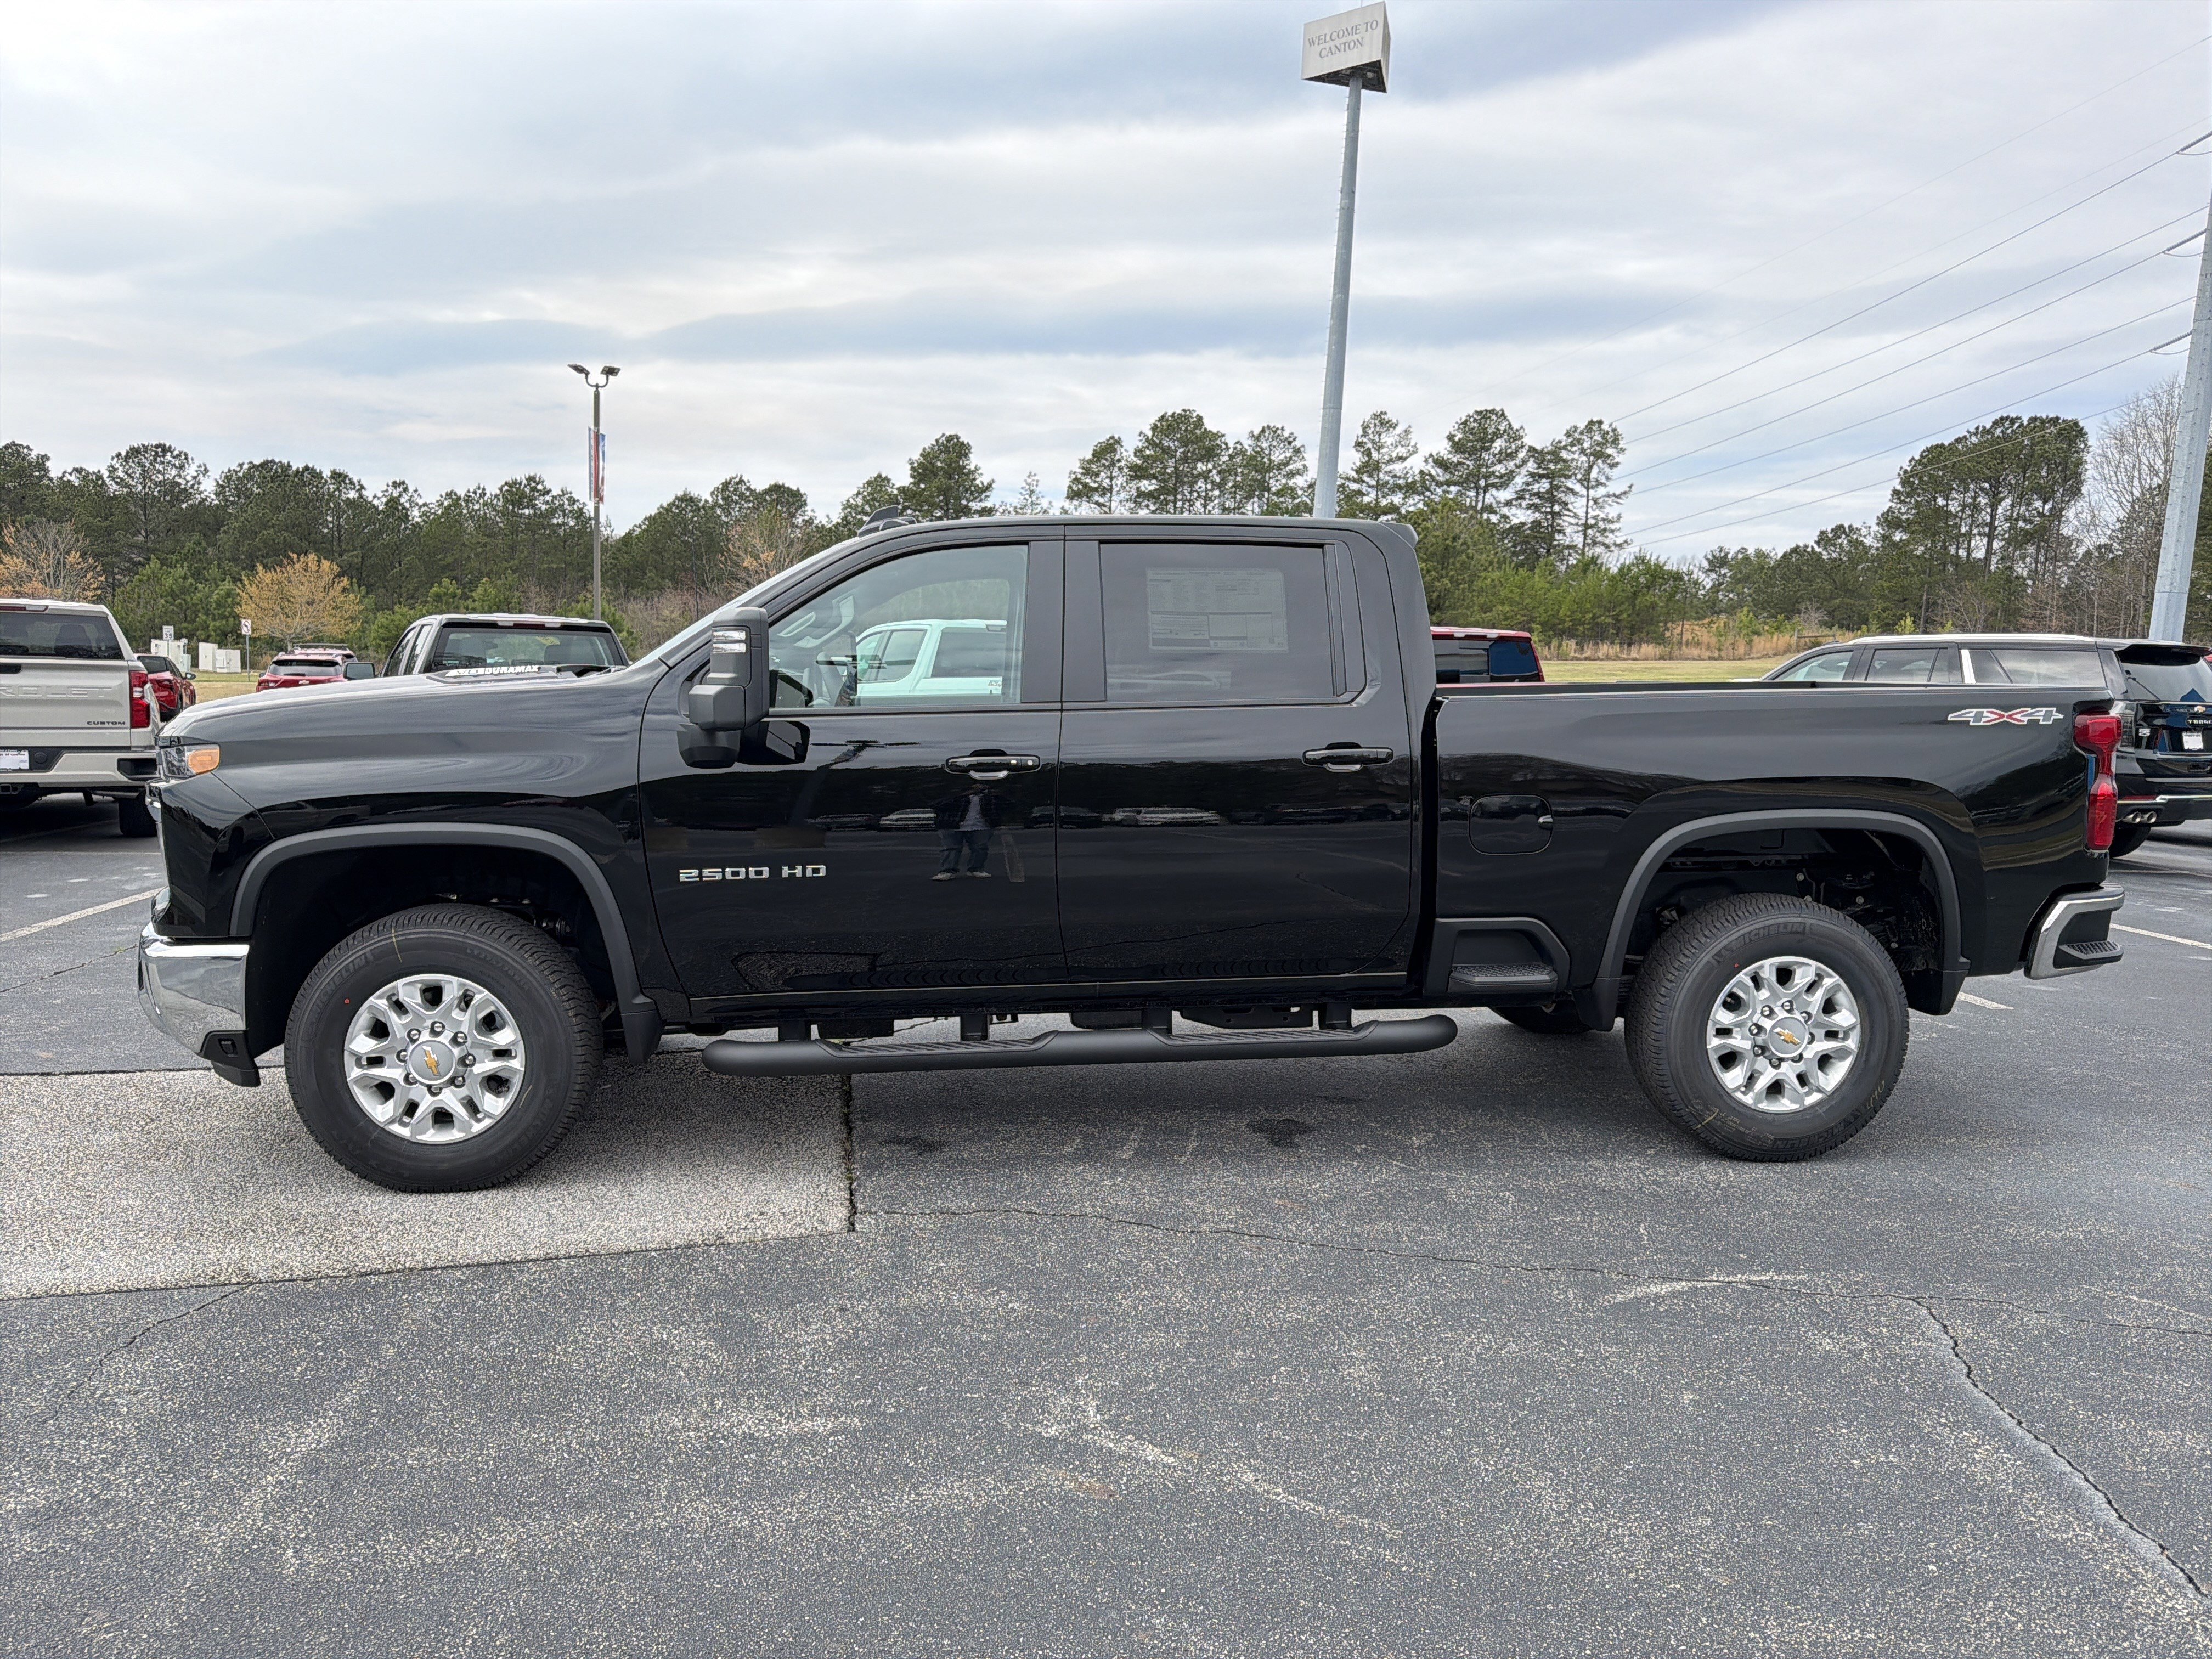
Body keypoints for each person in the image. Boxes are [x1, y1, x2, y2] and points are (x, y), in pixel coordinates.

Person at [930, 780, 1003, 879]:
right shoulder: (955, 794)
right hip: (952, 825)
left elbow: (1009, 804)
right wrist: (963, 794)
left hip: (981, 826)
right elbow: (937, 805)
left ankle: (976, 869)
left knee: (980, 848)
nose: (979, 788)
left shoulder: (990, 797)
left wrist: (993, 795)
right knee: (951, 848)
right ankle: (947, 871)